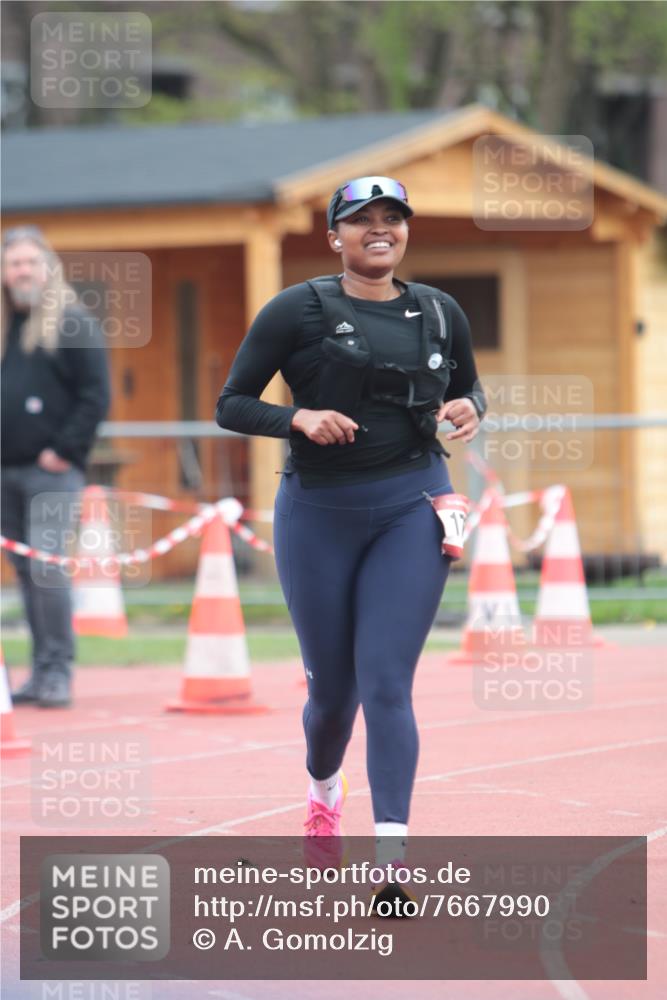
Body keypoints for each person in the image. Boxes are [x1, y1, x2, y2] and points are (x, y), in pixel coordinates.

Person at [216, 176, 485, 910]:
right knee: (333, 698)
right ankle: (321, 793)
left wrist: (468, 406)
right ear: (333, 236)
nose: (378, 229)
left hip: (414, 503)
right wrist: (296, 420)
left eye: (391, 219)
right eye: (360, 220)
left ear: (404, 233)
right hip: (318, 513)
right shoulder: (296, 310)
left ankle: (390, 861)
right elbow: (230, 404)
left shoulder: (439, 310)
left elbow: (471, 388)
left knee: (386, 682)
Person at [1, 226, 110, 708]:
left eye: (28, 262)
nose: (21, 271)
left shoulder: (71, 322)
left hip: (51, 472)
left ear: (47, 267)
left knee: (47, 570)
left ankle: (58, 670)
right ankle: (39, 670)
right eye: (12, 263)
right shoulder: (6, 327)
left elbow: (95, 396)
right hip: (6, 471)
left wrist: (64, 450)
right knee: (26, 573)